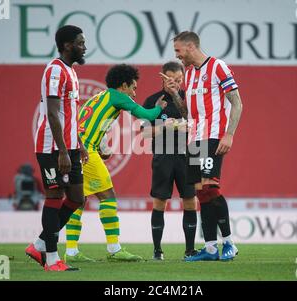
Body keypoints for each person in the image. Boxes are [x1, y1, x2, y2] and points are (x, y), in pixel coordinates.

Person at [64, 64, 167, 263]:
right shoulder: (118, 96)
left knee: (79, 200)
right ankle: (114, 248)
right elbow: (146, 116)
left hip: (76, 149)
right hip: (86, 152)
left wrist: (101, 146)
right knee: (108, 196)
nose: (135, 93)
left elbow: (85, 124)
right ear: (123, 86)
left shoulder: (97, 98)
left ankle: (71, 251)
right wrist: (159, 108)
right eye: (133, 88)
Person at [167, 31, 243, 262]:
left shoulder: (218, 66)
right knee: (201, 193)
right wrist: (174, 94)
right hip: (195, 138)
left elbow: (237, 103)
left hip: (214, 136)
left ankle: (229, 242)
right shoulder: (189, 75)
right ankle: (210, 248)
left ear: (190, 47)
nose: (177, 56)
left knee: (211, 188)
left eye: (178, 51)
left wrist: (229, 135)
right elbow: (187, 113)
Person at [25, 25, 89, 272]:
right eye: (80, 43)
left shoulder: (70, 71)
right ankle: (51, 259)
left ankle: (40, 243)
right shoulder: (54, 71)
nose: (84, 47)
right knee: (54, 196)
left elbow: (69, 115)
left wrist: (79, 145)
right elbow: (52, 114)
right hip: (52, 147)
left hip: (70, 146)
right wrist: (62, 150)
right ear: (67, 45)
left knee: (76, 197)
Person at [142, 61, 198, 260]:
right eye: (171, 79)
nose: (176, 83)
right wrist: (167, 126)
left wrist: (188, 126)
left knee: (191, 201)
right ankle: (157, 251)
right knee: (160, 202)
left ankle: (190, 251)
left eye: (179, 80)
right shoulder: (152, 101)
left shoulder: (190, 99)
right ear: (162, 78)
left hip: (189, 154)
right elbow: (146, 134)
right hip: (163, 156)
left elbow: (200, 125)